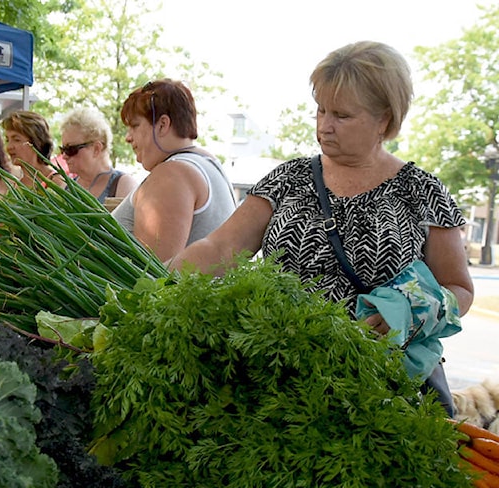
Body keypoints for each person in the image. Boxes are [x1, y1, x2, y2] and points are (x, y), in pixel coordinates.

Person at [170, 41, 472, 415]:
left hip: (385, 393)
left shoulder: (423, 191)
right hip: (284, 386)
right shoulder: (287, 179)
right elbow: (220, 248)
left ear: (384, 119)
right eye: (321, 111)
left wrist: (409, 312)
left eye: (342, 116)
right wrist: (165, 282)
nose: (325, 127)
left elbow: (459, 288)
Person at [112, 79, 236, 263]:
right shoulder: (207, 163)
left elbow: (151, 276)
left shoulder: (171, 175)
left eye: (135, 126)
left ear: (162, 124)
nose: (128, 138)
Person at [59, 107, 138, 203]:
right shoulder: (69, 188)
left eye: (71, 149)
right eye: (62, 149)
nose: (64, 156)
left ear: (96, 148)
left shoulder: (123, 185)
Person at [1, 110, 65, 188]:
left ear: (36, 142)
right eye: (7, 140)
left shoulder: (56, 182)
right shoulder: (12, 184)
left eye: (17, 140)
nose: (9, 147)